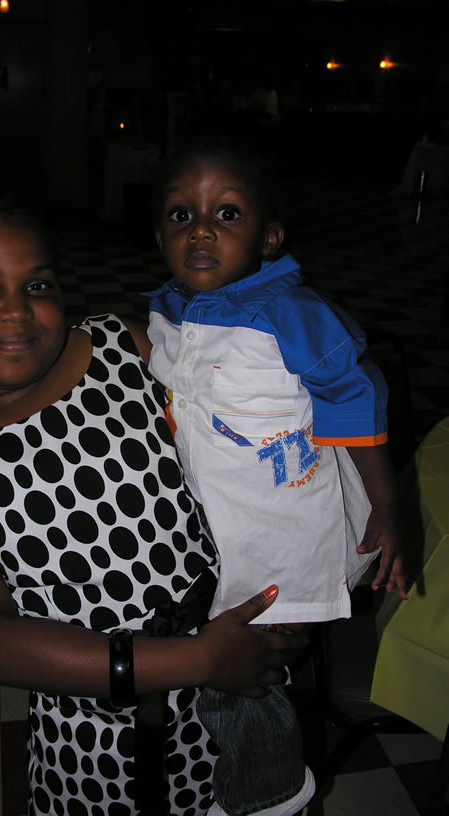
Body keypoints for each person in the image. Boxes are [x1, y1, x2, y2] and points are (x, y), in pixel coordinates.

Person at [0, 172, 308, 816]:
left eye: (38, 285)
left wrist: (296, 583)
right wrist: (195, 659)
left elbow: (248, 457)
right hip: (98, 742)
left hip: (237, 684)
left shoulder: (124, 349)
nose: (16, 309)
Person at [146, 137, 408, 816]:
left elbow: (354, 400)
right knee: (218, 659)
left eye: (227, 214)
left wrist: (386, 504)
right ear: (159, 233)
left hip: (286, 534)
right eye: (181, 214)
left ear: (269, 238)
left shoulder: (293, 315)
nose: (201, 229)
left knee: (243, 674)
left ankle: (271, 794)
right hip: (217, 528)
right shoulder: (167, 311)